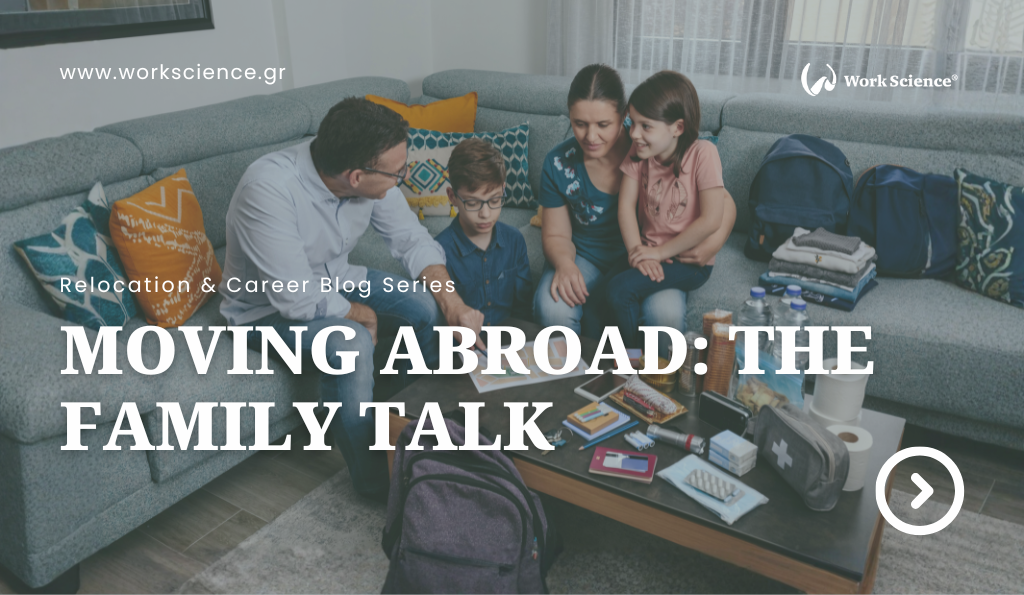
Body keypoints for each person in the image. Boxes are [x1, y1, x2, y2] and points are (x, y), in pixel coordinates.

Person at [219, 97, 484, 500]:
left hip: (337, 279)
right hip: (264, 310)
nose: (404, 178)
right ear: (357, 177)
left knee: (422, 305)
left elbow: (412, 241)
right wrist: (358, 313)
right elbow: (295, 299)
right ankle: (375, 480)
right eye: (399, 172)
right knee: (350, 341)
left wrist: (454, 304)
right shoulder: (269, 189)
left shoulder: (366, 171)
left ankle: (419, 432)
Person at [533, 64, 736, 345]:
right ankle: (581, 377)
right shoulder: (560, 162)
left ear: (623, 116)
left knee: (663, 314)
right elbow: (557, 234)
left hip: (656, 254)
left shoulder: (647, 142)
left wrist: (712, 244)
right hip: (594, 255)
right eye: (579, 124)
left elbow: (721, 202)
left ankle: (640, 377)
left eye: (603, 125)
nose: (590, 137)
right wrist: (565, 264)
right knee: (554, 308)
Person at [607, 70, 726, 347]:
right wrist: (639, 253)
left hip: (687, 261)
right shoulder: (639, 153)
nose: (634, 133)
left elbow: (711, 219)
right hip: (649, 250)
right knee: (602, 286)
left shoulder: (703, 154)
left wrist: (658, 253)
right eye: (632, 123)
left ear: (678, 128)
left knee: (619, 290)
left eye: (645, 126)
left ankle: (631, 365)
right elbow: (625, 206)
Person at [435, 139, 533, 325]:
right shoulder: (439, 252)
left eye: (495, 200)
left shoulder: (514, 240)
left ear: (503, 189)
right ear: (452, 197)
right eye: (472, 203)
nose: (486, 214)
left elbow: (523, 309)